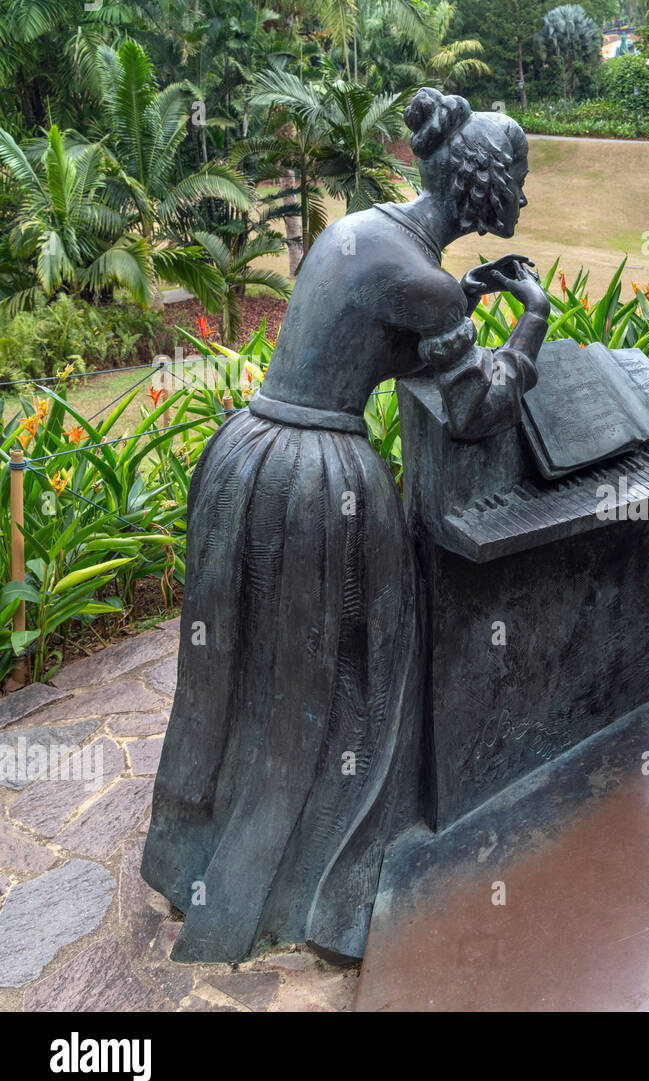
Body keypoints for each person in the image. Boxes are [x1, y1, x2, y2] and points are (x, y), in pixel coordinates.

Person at [142, 88, 551, 962]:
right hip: (317, 480)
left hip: (246, 455)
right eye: (520, 185)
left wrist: (458, 306)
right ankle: (313, 887)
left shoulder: (359, 229)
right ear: (485, 192)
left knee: (246, 667)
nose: (525, 203)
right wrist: (531, 325)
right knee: (363, 665)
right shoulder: (425, 283)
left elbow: (366, 334)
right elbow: (476, 406)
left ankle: (199, 860)